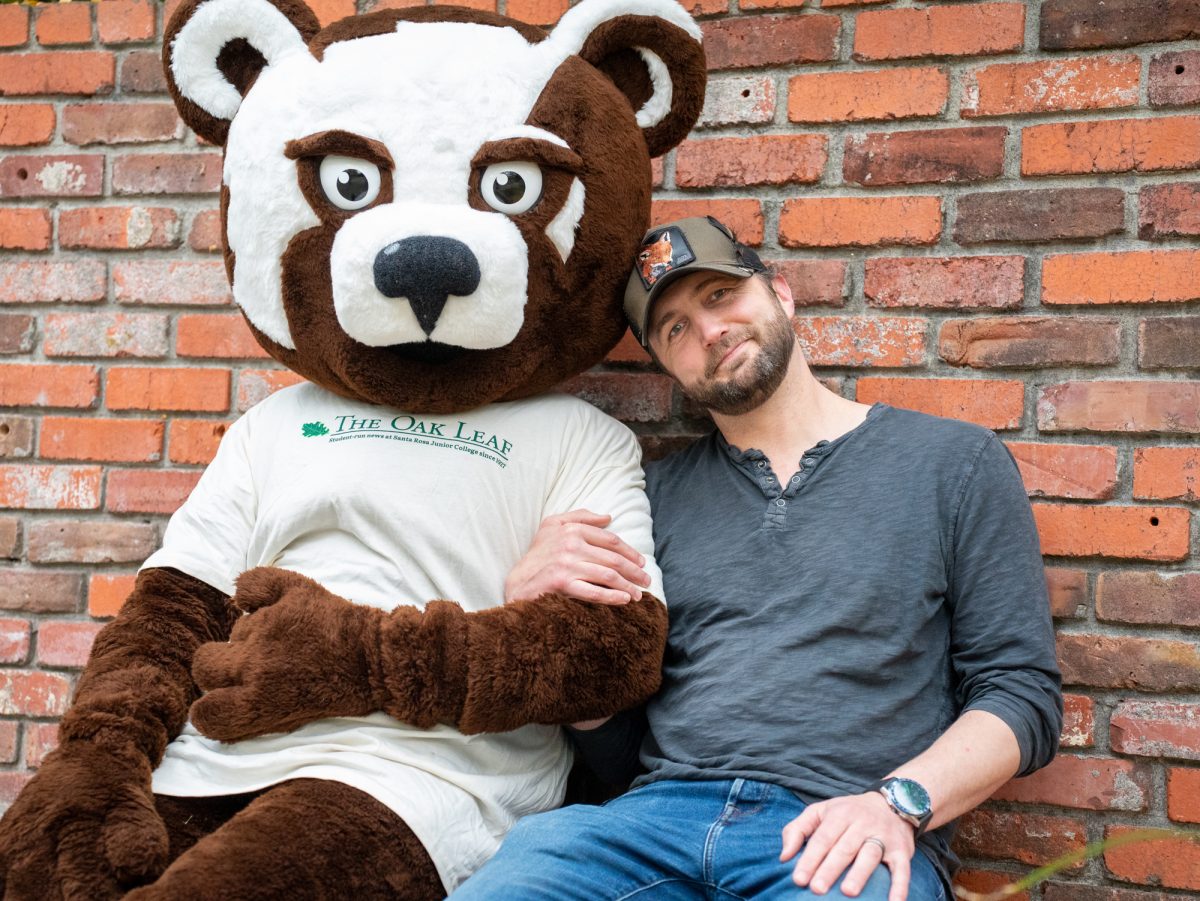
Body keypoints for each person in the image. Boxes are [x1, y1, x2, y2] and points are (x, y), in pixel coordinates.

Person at [452, 216, 1063, 901]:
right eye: (675, 328)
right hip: (647, 828)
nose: (708, 331)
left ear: (780, 294)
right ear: (668, 368)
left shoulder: (952, 464)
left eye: (719, 296)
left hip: (837, 834)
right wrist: (547, 631)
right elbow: (622, 752)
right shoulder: (651, 498)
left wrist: (896, 804)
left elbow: (1021, 695)